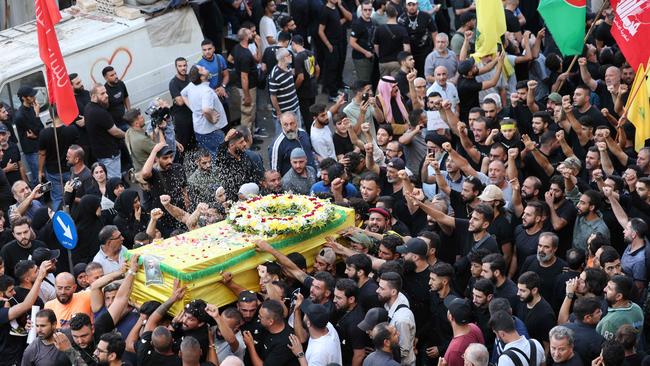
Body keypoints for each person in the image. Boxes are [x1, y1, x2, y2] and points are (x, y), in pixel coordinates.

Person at [0, 260, 51, 366]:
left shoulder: (12, 299)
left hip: (22, 354)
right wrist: (40, 277)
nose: (14, 293)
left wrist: (25, 325)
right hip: (7, 359)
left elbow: (19, 321)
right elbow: (26, 305)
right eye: (10, 291)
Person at [180, 65, 228, 157]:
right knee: (219, 157)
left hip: (199, 130)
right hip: (211, 131)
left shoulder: (192, 85)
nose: (205, 67)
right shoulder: (206, 91)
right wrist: (212, 119)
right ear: (201, 77)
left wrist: (193, 108)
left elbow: (183, 94)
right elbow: (206, 110)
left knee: (207, 157)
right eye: (202, 69)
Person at [84, 84, 125, 179]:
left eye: (106, 92)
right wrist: (127, 135)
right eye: (102, 93)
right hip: (109, 154)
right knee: (115, 181)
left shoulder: (88, 108)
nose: (106, 95)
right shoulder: (99, 112)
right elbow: (115, 131)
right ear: (94, 96)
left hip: (101, 153)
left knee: (107, 181)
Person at [242, 299, 298, 366]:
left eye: (261, 316)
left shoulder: (284, 344)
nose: (258, 317)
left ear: (270, 322)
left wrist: (250, 345)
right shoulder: (268, 325)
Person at [376, 271, 416, 365]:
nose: (377, 290)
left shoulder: (401, 319)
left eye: (382, 288)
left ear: (393, 292)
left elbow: (403, 350)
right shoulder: (390, 301)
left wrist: (381, 354)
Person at [215, 129, 264, 201]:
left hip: (252, 197)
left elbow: (258, 177)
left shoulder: (246, 156)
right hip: (234, 201)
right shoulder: (225, 160)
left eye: (244, 140)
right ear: (232, 145)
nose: (244, 144)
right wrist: (226, 140)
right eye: (241, 142)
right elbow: (220, 154)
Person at [290, 299, 342, 366]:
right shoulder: (329, 326)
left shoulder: (318, 353)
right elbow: (303, 337)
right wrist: (297, 311)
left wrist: (300, 354)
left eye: (306, 314)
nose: (304, 314)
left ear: (309, 323)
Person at [596, 274, 644, 340]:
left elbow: (607, 347)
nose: (604, 289)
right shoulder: (637, 308)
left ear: (618, 296)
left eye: (609, 288)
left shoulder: (610, 322)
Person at [269, 111, 316, 176]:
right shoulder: (277, 145)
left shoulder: (303, 133)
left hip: (311, 177)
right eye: (286, 125)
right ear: (281, 125)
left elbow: (311, 152)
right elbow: (275, 172)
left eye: (292, 123)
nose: (289, 128)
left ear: (296, 123)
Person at [13, 86, 43, 187]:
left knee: (44, 175)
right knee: (37, 178)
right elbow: (36, 129)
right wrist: (37, 114)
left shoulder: (31, 108)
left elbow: (40, 130)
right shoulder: (20, 115)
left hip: (38, 148)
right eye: (31, 96)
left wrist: (36, 135)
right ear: (24, 98)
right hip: (32, 151)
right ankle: (39, 201)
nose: (34, 97)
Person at [232, 27, 259, 133]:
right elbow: (244, 77)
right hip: (248, 88)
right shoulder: (245, 55)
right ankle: (246, 143)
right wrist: (247, 95)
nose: (253, 35)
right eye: (250, 34)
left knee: (249, 114)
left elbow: (230, 58)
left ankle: (250, 138)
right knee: (248, 115)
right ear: (246, 38)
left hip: (244, 87)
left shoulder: (237, 48)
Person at [168, 57, 195, 152]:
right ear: (176, 67)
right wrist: (192, 94)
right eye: (180, 66)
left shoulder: (190, 78)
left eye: (184, 65)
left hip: (193, 116)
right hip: (182, 120)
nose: (183, 68)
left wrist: (184, 96)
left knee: (196, 144)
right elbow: (180, 102)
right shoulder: (173, 83)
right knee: (185, 146)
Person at [123, 108, 156, 173]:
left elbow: (148, 140)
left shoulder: (128, 132)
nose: (143, 118)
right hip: (150, 172)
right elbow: (161, 151)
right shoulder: (142, 140)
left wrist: (156, 129)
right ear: (136, 123)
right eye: (141, 118)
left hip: (139, 169)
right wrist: (161, 130)